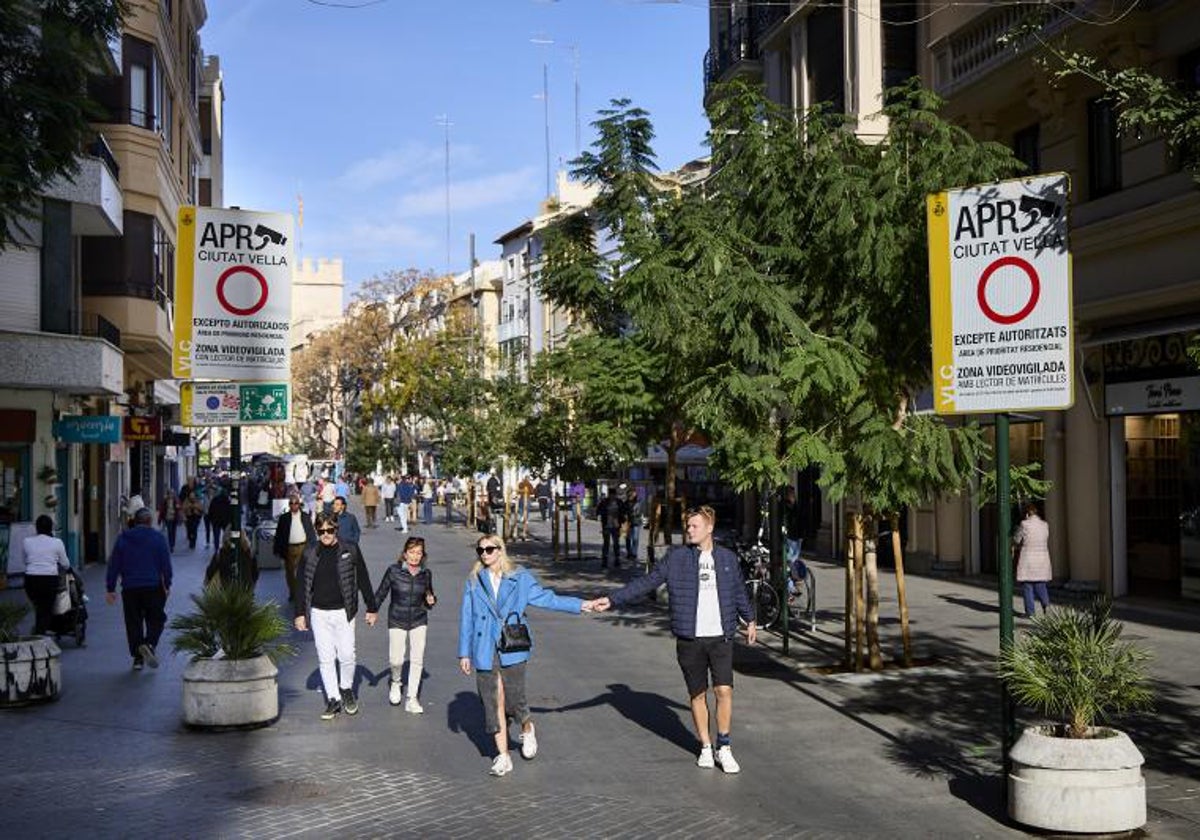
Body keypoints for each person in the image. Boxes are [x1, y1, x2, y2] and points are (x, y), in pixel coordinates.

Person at [596, 505, 756, 773]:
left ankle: (724, 746)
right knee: (697, 694)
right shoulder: (677, 557)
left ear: (709, 528)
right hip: (689, 638)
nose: (689, 530)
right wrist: (612, 599)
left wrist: (749, 618)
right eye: (688, 526)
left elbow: (739, 590)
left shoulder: (727, 558)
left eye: (694, 526)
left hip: (721, 636)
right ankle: (706, 746)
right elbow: (647, 583)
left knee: (724, 691)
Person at [458, 534, 600, 776]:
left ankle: (527, 726)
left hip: (512, 644)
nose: (484, 554)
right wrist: (464, 653)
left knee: (514, 698)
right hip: (484, 647)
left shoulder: (519, 577)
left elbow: (546, 598)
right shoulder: (474, 580)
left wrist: (580, 605)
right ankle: (502, 756)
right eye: (480, 550)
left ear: (500, 550)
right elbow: (467, 617)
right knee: (493, 703)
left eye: (489, 549)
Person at [294, 511, 378, 720]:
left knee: (348, 655)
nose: (326, 534)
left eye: (329, 530)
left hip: (344, 612)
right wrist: (299, 613)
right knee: (326, 658)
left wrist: (371, 607)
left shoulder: (350, 548)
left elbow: (363, 577)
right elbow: (300, 584)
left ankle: (346, 688)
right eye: (321, 531)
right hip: (319, 612)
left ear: (336, 529)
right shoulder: (310, 552)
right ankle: (333, 698)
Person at [105, 508, 173, 670]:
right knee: (157, 618)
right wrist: (168, 584)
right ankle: (149, 644)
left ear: (135, 521)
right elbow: (166, 565)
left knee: (133, 622)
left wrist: (111, 588)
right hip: (153, 586)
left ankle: (138, 658)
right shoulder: (158, 538)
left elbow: (114, 565)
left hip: (130, 587)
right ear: (150, 521)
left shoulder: (123, 539)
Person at [374, 536, 437, 712]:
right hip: (397, 618)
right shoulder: (394, 571)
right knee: (396, 659)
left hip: (419, 619)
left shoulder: (426, 574)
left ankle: (412, 698)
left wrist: (431, 600)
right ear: (404, 554)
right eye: (412, 552)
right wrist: (373, 611)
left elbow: (429, 596)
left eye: (419, 553)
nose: (415, 556)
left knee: (417, 659)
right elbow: (381, 593)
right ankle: (396, 681)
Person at [23, 515, 70, 636]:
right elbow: (65, 564)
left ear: (36, 528)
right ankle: (40, 635)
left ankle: (39, 631)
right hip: (49, 580)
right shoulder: (57, 542)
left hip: (31, 580)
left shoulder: (27, 542)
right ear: (51, 528)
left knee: (39, 607)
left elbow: (25, 560)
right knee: (46, 608)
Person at [273, 493, 317, 602]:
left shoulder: (305, 517)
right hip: (289, 548)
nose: (294, 505)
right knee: (290, 572)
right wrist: (277, 549)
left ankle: (303, 592)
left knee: (303, 571)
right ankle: (293, 593)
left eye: (296, 503)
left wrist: (313, 548)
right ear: (289, 505)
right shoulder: (284, 518)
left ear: (299, 504)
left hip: (303, 546)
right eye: (291, 503)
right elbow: (279, 534)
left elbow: (311, 532)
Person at [1014, 502, 1052, 618]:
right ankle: (1046, 605)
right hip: (1042, 558)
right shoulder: (1044, 524)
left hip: (1029, 558)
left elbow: (1017, 539)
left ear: (1026, 514)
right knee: (1041, 583)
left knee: (1028, 585)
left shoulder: (1024, 524)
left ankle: (1030, 612)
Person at [597, 488, 624, 570]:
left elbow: (623, 511)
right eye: (611, 494)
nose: (612, 496)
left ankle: (617, 559)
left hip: (616, 526)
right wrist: (603, 514)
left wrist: (622, 519)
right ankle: (605, 560)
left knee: (616, 543)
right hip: (607, 526)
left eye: (613, 494)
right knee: (606, 543)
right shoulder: (604, 502)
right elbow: (598, 511)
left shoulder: (619, 502)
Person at [206, 485, 232, 550]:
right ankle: (225, 547)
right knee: (226, 535)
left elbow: (210, 510)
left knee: (216, 536)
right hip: (225, 521)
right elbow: (231, 512)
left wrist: (210, 519)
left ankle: (216, 549)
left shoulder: (215, 500)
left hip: (216, 521)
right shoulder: (228, 501)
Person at [624, 486, 644, 567]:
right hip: (628, 523)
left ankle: (634, 554)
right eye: (630, 493)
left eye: (633, 493)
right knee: (628, 539)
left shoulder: (638, 502)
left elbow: (642, 493)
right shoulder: (626, 503)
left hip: (636, 522)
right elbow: (623, 512)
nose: (632, 495)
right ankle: (629, 553)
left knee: (635, 539)